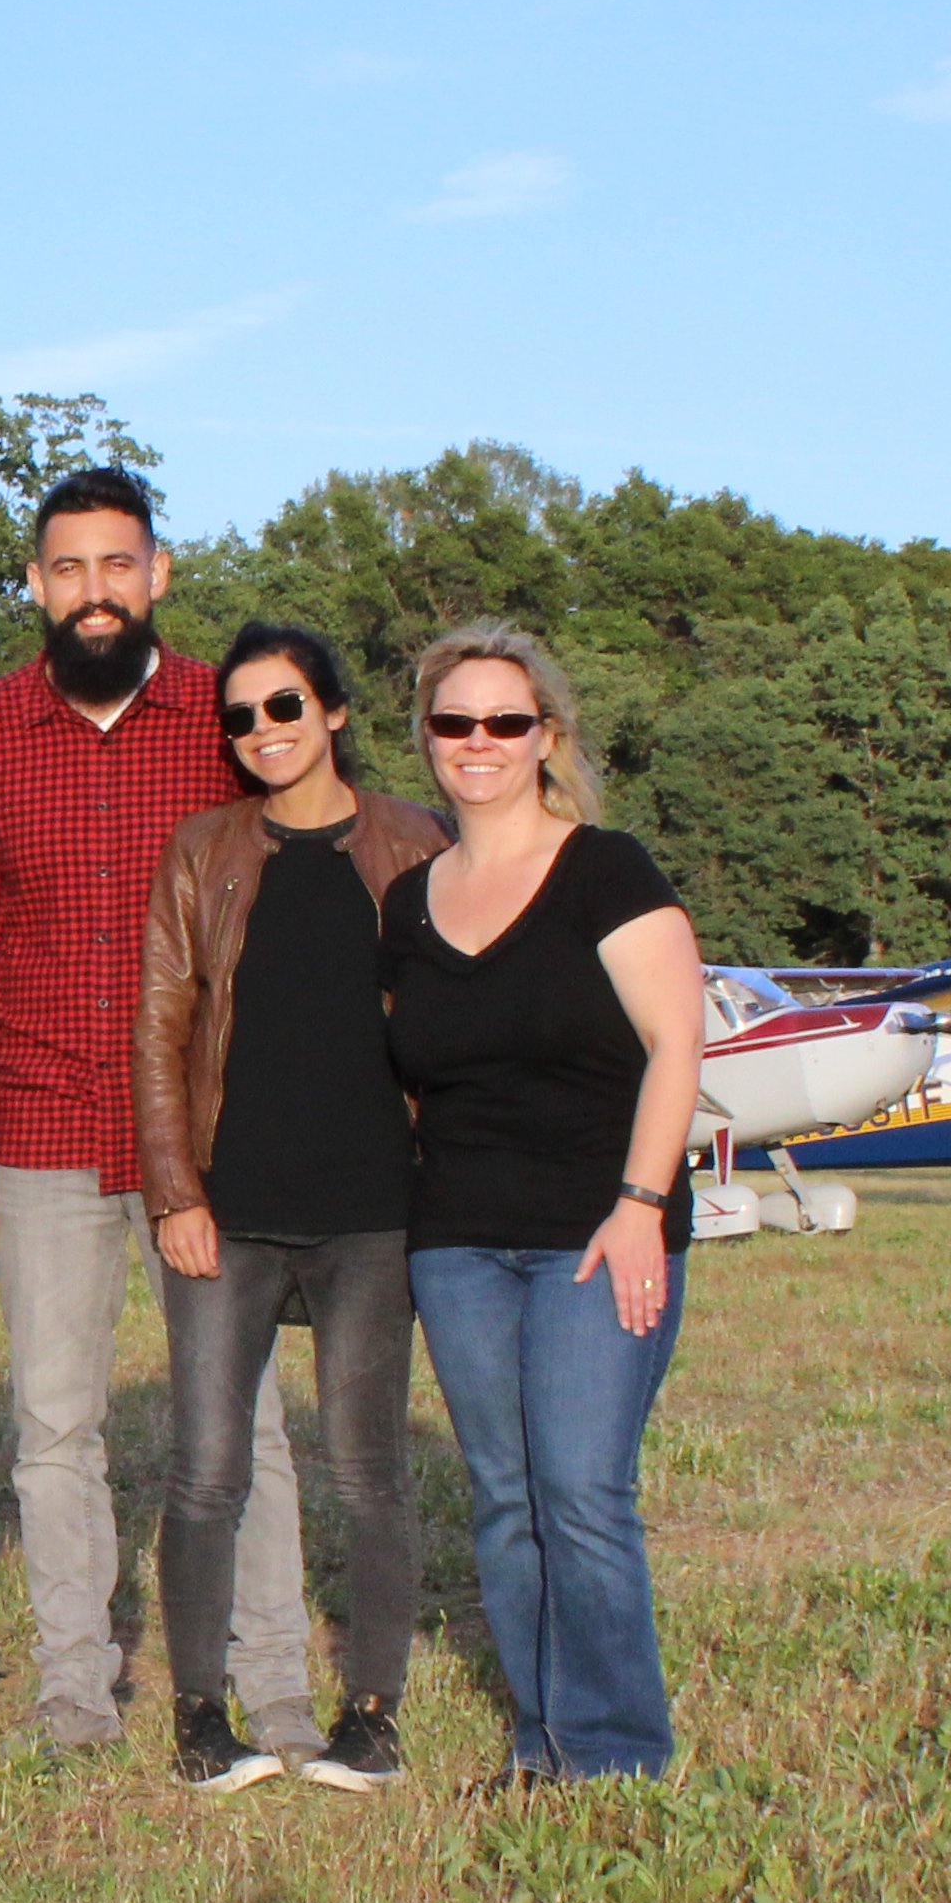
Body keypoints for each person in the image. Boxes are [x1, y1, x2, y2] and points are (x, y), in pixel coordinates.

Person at [0, 467, 320, 1759]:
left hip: (208, 1135)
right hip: (46, 1111)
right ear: (35, 584)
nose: (93, 592)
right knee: (54, 1424)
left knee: (243, 1418)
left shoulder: (227, 717)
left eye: (117, 566)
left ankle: (273, 1680)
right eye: (67, 568)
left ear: (157, 574)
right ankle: (73, 1690)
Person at [381, 621, 706, 1787]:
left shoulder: (606, 869)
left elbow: (678, 1045)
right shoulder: (411, 900)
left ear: (546, 737)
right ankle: (539, 1740)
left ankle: (615, 1756)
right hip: (458, 1242)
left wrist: (638, 1204)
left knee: (580, 1490)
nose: (479, 742)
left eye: (504, 722)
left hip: (595, 1230)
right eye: (453, 722)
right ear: (427, 740)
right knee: (506, 1496)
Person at [135, 622, 451, 1792]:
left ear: (333, 715)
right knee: (207, 1471)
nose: (262, 732)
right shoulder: (203, 851)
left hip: (374, 1209)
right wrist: (175, 1192)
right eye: (241, 716)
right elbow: (160, 1032)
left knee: (367, 1467)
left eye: (283, 708)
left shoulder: (416, 843)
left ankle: (372, 1714)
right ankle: (199, 1720)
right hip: (232, 1207)